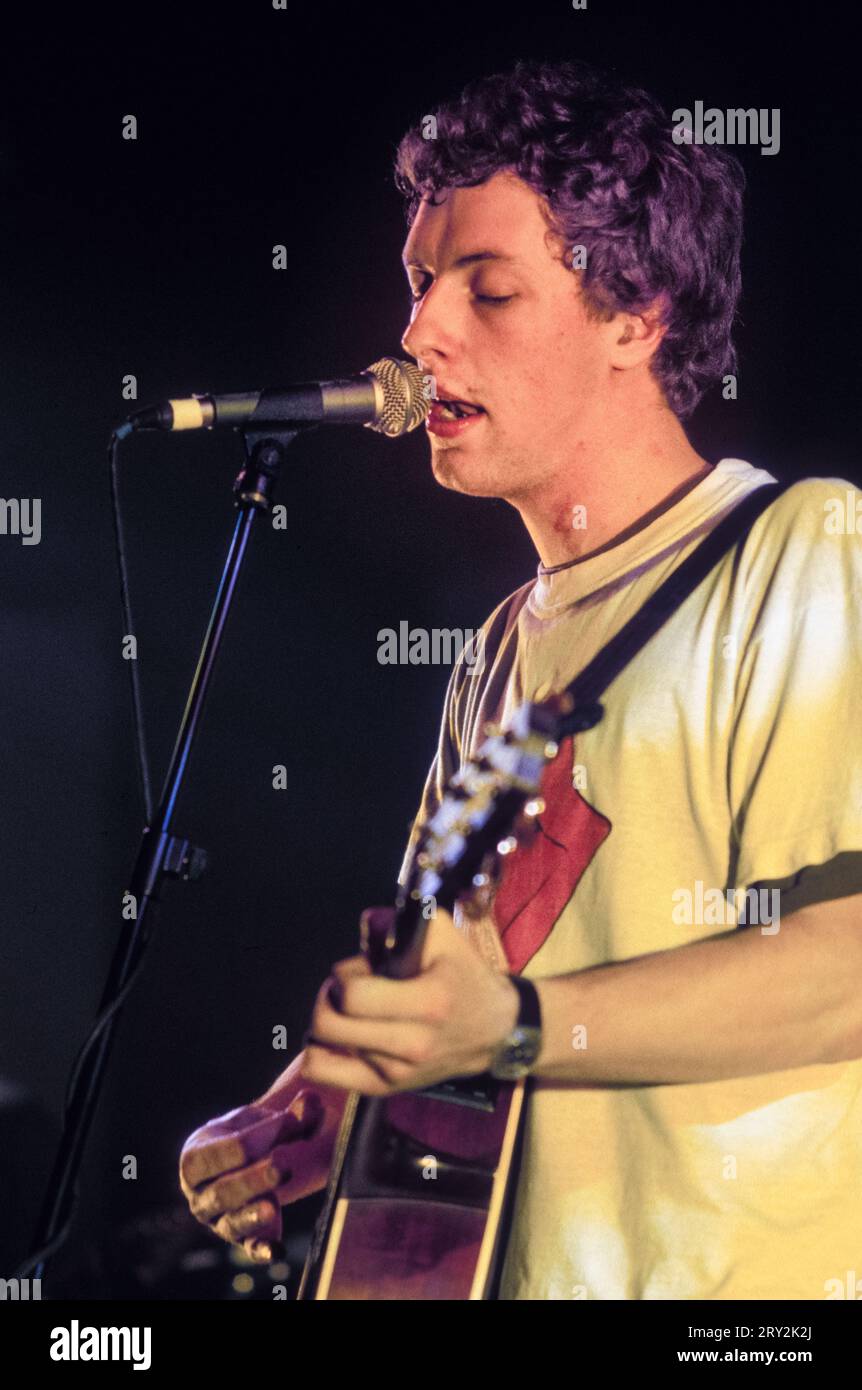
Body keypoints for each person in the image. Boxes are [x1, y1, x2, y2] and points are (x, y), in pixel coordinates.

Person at [180, 58, 862, 1300]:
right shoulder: (499, 648)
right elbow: (460, 998)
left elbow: (846, 966)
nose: (420, 330)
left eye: (486, 290)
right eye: (419, 282)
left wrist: (516, 1026)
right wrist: (311, 1111)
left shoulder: (802, 550)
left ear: (636, 316)